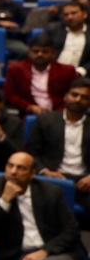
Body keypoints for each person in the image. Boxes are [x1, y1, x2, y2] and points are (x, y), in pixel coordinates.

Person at [26, 78, 90, 214]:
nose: (78, 99)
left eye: (84, 97)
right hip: (52, 178)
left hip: (85, 182)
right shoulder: (46, 120)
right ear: (66, 97)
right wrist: (45, 171)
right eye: (74, 95)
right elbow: (31, 153)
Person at [4, 33, 78, 116]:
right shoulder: (16, 69)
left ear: (53, 54)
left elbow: (73, 95)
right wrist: (29, 107)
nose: (40, 54)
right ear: (29, 53)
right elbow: (10, 95)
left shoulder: (67, 71)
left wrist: (58, 112)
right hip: (27, 114)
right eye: (35, 51)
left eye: (45, 52)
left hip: (60, 115)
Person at [48, 2, 90, 75]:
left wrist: (82, 71)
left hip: (81, 75)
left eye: (74, 13)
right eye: (66, 15)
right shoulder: (53, 30)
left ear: (84, 15)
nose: (69, 17)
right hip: (53, 73)